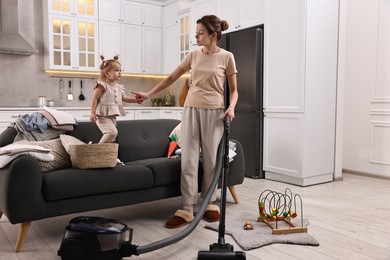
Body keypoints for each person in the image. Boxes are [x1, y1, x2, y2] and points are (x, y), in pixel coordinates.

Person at [133, 15, 238, 229]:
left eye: (200, 33)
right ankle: (187, 208)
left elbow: (234, 90)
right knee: (188, 159)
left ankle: (209, 203)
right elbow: (172, 78)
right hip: (190, 110)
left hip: (215, 112)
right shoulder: (193, 55)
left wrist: (232, 106)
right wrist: (148, 94)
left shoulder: (227, 57)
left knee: (210, 160)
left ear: (213, 35)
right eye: (196, 32)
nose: (196, 36)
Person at [90, 55, 142, 143]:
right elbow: (94, 99)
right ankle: (97, 151)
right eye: (117, 70)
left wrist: (135, 100)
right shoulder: (102, 85)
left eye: (120, 70)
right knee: (112, 132)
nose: (120, 73)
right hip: (101, 115)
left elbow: (124, 98)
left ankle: (108, 156)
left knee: (111, 139)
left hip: (112, 115)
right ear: (107, 73)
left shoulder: (118, 87)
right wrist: (93, 113)